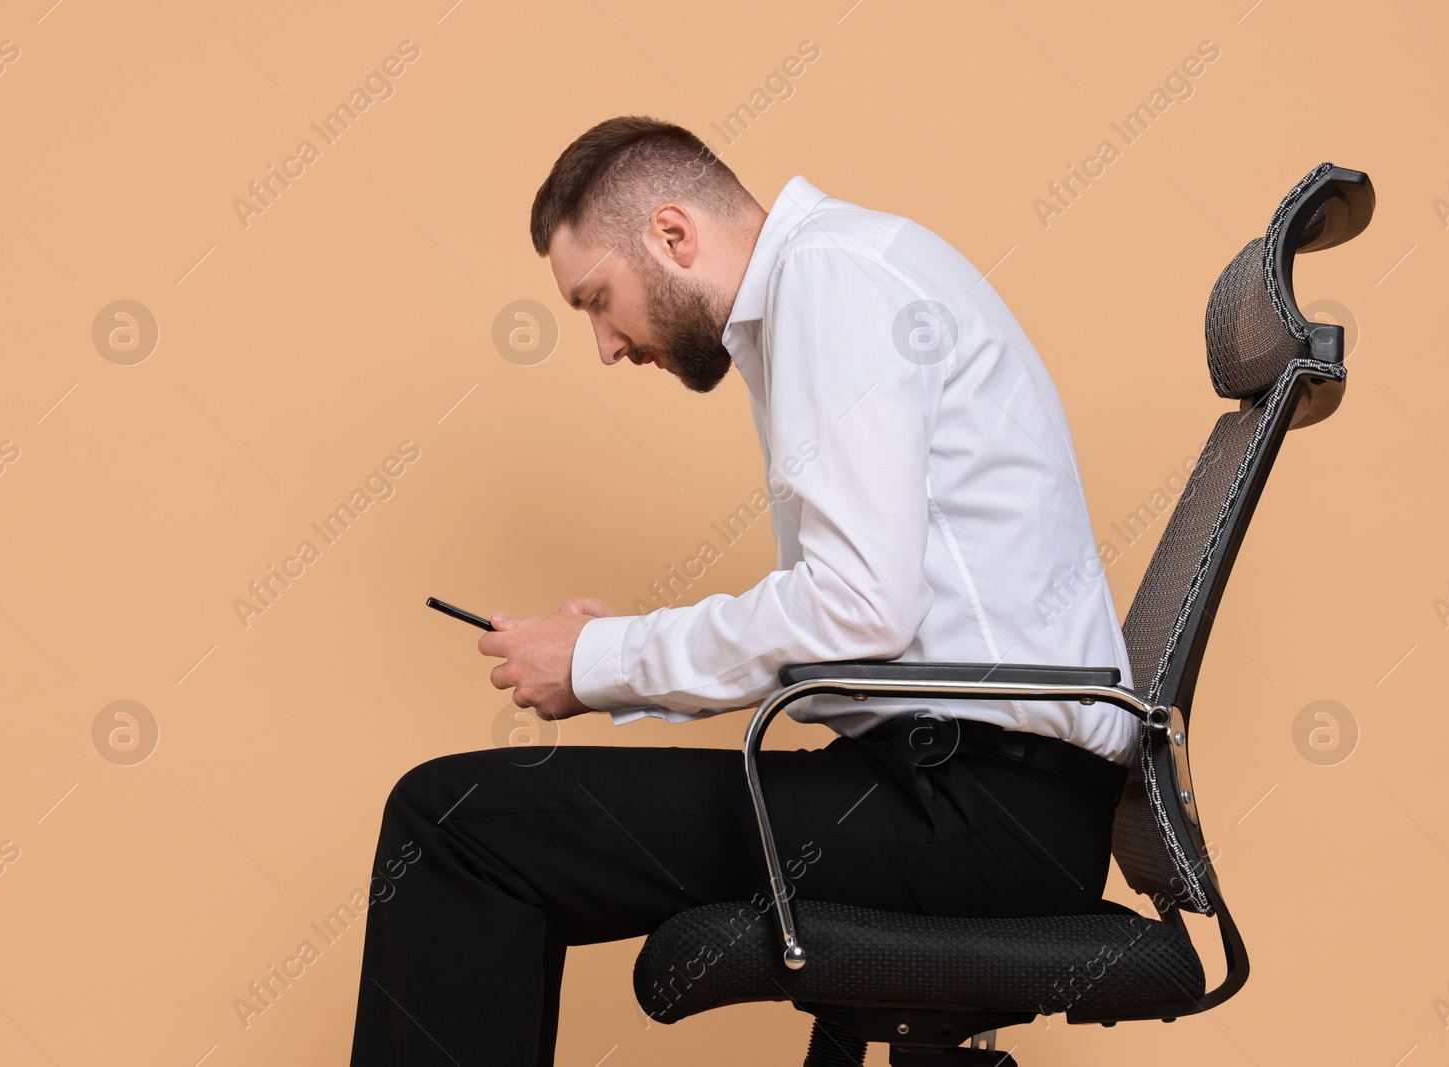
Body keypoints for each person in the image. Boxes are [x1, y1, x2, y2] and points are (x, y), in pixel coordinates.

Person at [349, 116, 1136, 1066]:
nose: (604, 346)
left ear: (671, 234)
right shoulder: (842, 273)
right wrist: (624, 658)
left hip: (977, 815)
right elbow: (870, 627)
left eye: (597, 299)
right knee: (470, 815)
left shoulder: (833, 278)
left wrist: (601, 662)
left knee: (455, 822)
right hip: (968, 795)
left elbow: (860, 610)